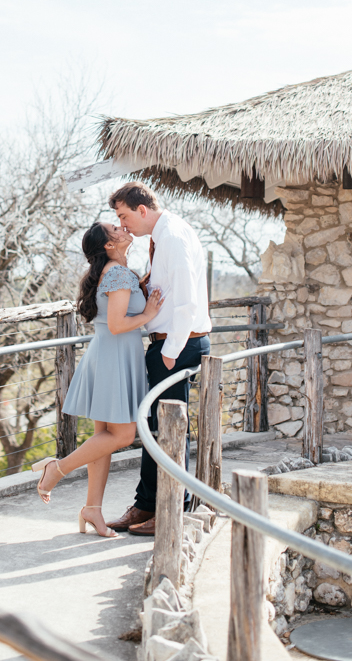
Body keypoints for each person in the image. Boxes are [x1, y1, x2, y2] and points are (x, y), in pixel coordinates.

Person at [32, 220, 164, 538]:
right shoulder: (117, 273)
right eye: (115, 230)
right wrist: (148, 314)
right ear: (108, 244)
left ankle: (93, 509)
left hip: (110, 355)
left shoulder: (116, 272)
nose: (123, 228)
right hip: (114, 357)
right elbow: (118, 324)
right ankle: (57, 469)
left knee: (103, 438)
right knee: (120, 436)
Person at [105, 182, 211, 537]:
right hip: (166, 346)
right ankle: (146, 504)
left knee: (169, 430)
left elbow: (187, 303)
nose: (123, 224)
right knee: (154, 427)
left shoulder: (173, 237)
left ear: (141, 210)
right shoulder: (161, 236)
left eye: (123, 216)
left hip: (177, 348)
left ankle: (171, 508)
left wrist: (169, 353)